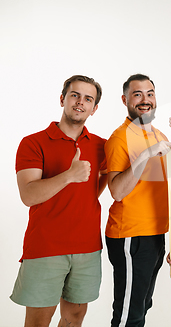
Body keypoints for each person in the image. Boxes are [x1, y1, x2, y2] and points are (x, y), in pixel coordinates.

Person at [11, 75, 107, 327]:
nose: (80, 102)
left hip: (87, 248)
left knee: (74, 318)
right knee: (38, 322)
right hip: (46, 247)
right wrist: (68, 176)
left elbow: (95, 190)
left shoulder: (102, 146)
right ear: (62, 98)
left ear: (94, 108)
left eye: (88, 99)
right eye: (75, 95)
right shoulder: (33, 143)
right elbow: (28, 195)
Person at [105, 74, 171, 327]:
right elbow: (117, 191)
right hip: (131, 235)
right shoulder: (119, 138)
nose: (145, 100)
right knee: (128, 315)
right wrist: (145, 155)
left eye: (150, 94)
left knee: (142, 307)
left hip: (156, 233)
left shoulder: (158, 134)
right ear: (125, 99)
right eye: (137, 94)